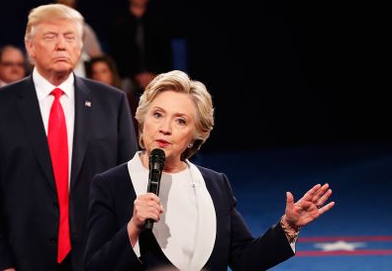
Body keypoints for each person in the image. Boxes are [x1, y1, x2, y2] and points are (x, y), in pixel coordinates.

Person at [85, 70, 335, 271]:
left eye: (180, 120)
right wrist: (133, 227)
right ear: (142, 120)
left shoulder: (215, 184)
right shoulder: (111, 184)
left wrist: (288, 227)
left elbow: (244, 259)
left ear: (195, 136)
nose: (165, 128)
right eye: (158, 115)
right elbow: (94, 267)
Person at [0, 4, 138, 271]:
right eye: (50, 37)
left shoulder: (112, 102)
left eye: (69, 37)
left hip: (98, 258)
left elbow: (128, 185)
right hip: (22, 259)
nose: (61, 45)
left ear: (80, 47)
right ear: (30, 47)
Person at [109, 0, 173, 93]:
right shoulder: (119, 26)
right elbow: (116, 56)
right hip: (128, 77)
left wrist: (153, 75)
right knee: (124, 87)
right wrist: (136, 76)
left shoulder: (159, 24)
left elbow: (166, 55)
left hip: (156, 76)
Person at [56, 0, 103, 77]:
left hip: (81, 73)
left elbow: (97, 58)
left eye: (70, 5)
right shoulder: (48, 29)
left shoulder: (85, 30)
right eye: (63, 5)